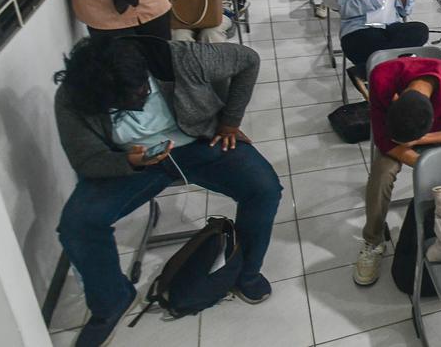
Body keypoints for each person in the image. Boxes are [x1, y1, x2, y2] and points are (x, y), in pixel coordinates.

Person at [55, 35, 280, 345]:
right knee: (78, 224)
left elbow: (248, 60)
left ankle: (245, 274)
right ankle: (111, 301)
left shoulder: (179, 59)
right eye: (124, 104)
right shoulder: (75, 96)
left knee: (264, 188)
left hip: (198, 141)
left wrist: (230, 121)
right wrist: (130, 161)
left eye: (141, 92)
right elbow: (85, 159)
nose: (139, 102)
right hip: (129, 160)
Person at [353, 55, 441, 287]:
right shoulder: (382, 79)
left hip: (439, 127)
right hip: (395, 134)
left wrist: (424, 139)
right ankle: (373, 240)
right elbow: (384, 140)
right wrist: (424, 165)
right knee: (381, 174)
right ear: (396, 97)